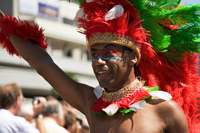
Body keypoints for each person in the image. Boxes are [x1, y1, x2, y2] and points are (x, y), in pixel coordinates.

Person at [0, 0, 200, 132]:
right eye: (94, 55)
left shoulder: (164, 111)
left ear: (133, 57)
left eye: (108, 53)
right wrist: (5, 26)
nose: (99, 62)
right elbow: (43, 64)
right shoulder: (90, 102)